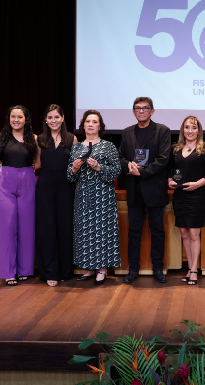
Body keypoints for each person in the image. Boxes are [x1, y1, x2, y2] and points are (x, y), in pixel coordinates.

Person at [118, 97, 171, 284]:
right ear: (133, 112)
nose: (141, 111)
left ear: (152, 111)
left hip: (154, 188)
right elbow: (121, 156)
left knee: (157, 231)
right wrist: (129, 166)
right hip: (134, 189)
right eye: (137, 108)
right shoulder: (126, 133)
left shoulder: (162, 131)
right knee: (134, 231)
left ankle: (158, 268)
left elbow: (164, 159)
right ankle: (133, 269)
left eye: (145, 108)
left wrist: (143, 173)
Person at [70, 110, 122, 286]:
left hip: (103, 194)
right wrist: (74, 169)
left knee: (101, 231)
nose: (91, 124)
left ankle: (102, 269)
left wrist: (99, 167)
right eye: (88, 121)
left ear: (100, 126)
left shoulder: (108, 146)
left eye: (94, 122)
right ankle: (89, 268)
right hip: (83, 194)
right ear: (83, 125)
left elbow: (116, 171)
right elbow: (70, 177)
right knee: (85, 230)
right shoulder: (76, 147)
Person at [167, 116, 205, 286]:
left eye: (193, 128)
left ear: (198, 130)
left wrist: (197, 184)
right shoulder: (175, 149)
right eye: (187, 127)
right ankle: (190, 267)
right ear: (182, 130)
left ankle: (194, 269)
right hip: (180, 196)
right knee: (184, 233)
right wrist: (170, 181)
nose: (190, 131)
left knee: (194, 234)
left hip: (197, 196)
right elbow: (169, 171)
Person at [0, 105, 39, 286]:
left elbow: (38, 163)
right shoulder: (0, 137)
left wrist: (25, 172)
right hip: (6, 181)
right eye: (13, 116)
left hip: (28, 179)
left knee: (27, 227)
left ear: (26, 119)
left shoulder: (34, 138)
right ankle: (9, 272)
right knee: (7, 226)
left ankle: (25, 270)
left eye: (20, 117)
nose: (16, 120)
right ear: (9, 118)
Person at [35, 105, 77, 287]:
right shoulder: (39, 139)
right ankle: (49, 271)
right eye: (50, 117)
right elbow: (36, 165)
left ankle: (65, 271)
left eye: (56, 117)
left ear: (62, 118)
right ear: (45, 119)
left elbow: (76, 166)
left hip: (66, 187)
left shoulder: (72, 139)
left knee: (65, 229)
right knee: (47, 229)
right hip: (44, 187)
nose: (53, 121)